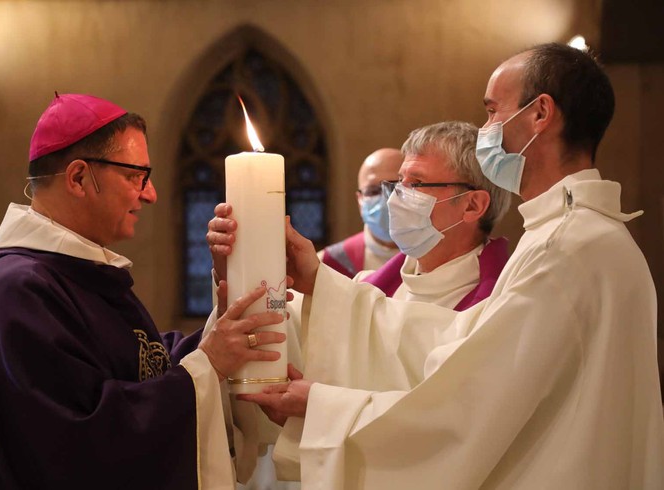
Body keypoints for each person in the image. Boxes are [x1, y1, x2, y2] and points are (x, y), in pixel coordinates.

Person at [242, 43, 664, 488]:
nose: (486, 130)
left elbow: (468, 405)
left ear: (540, 114)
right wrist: (321, 283)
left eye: (492, 111)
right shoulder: (573, 235)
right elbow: (456, 340)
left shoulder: (565, 249)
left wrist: (324, 408)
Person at [0, 93, 286, 490]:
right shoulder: (19, 291)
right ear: (78, 178)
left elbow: (146, 366)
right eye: (135, 176)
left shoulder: (77, 274)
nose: (150, 193)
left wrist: (229, 305)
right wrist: (208, 366)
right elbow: (80, 445)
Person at [206, 121, 512, 482]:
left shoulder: (502, 304)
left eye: (415, 184)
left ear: (473, 204)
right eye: (396, 184)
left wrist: (318, 408)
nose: (395, 197)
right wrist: (239, 270)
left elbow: (446, 419)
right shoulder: (363, 290)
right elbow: (267, 344)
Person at [319, 149, 403, 278]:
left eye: (393, 188)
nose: (385, 199)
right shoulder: (328, 264)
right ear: (359, 200)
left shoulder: (438, 261)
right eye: (373, 191)